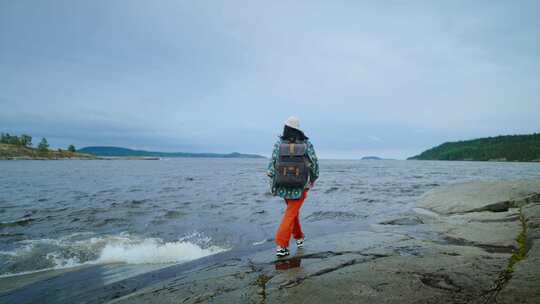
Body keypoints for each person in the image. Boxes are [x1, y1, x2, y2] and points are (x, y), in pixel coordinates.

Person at [267, 116, 319, 257]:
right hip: (300, 185)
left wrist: (273, 186)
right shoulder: (306, 143)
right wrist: (313, 179)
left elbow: (271, 167)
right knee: (291, 213)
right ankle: (281, 245)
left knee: (292, 212)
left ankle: (299, 237)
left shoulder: (279, 144)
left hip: (283, 184)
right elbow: (314, 163)